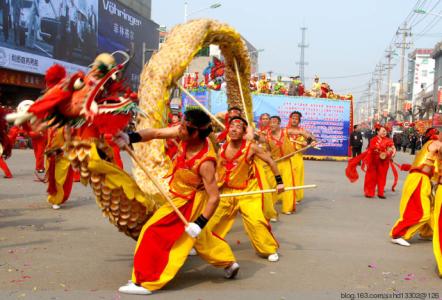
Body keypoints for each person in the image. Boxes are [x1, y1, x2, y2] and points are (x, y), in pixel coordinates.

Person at [115, 109, 239, 295]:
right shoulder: (185, 132)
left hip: (189, 201)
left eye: (183, 127)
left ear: (196, 132)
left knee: (153, 232)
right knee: (200, 240)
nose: (178, 130)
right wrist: (129, 137)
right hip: (179, 193)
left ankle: (147, 281)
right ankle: (228, 262)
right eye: (180, 125)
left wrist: (199, 223)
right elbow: (155, 133)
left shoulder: (206, 162)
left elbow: (214, 197)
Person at [199, 116, 283, 262]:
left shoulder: (251, 147)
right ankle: (203, 245)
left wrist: (279, 182)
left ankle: (267, 249)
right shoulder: (222, 147)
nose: (233, 129)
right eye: (231, 126)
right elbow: (217, 169)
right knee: (211, 219)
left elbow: (270, 161)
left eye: (238, 127)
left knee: (256, 221)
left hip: (248, 192)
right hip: (227, 192)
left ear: (244, 131)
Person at [390, 128, 441, 247]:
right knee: (422, 212)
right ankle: (398, 234)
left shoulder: (430, 144)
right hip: (420, 179)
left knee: (430, 209)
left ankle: (427, 233)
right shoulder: (436, 144)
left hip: (423, 179)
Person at [266, 115, 296, 214]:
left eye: (274, 122)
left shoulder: (286, 132)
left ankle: (288, 208)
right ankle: (270, 209)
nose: (272, 124)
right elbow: (268, 151)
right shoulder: (267, 136)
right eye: (270, 122)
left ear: (279, 124)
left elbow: (302, 132)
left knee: (288, 184)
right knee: (272, 184)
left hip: (286, 162)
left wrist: (310, 140)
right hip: (274, 163)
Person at [286, 111, 317, 203]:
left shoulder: (303, 131)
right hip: (286, 157)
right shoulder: (285, 130)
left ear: (299, 121)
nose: (294, 120)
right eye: (293, 118)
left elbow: (314, 140)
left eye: (296, 119)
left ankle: (296, 197)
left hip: (297, 157)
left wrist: (306, 143)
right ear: (290, 119)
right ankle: (285, 196)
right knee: (285, 177)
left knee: (297, 177)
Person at [45, 126, 74, 209]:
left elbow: (68, 143)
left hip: (61, 157)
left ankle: (56, 200)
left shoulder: (66, 126)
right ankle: (52, 196)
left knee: (58, 179)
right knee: (51, 178)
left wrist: (58, 151)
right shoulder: (50, 124)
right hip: (50, 155)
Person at [364, 125, 396, 198]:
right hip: (373, 161)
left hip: (384, 162)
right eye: (383, 131)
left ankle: (380, 193)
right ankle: (369, 192)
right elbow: (371, 149)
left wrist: (390, 153)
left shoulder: (388, 140)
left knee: (382, 177)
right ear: (378, 132)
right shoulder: (373, 140)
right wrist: (379, 151)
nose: (384, 132)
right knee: (371, 177)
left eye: (385, 131)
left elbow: (393, 149)